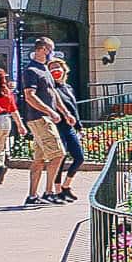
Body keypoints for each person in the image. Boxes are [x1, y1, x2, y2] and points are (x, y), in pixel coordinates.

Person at [17, 37, 71, 205]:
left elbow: (53, 93)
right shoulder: (31, 70)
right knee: (58, 154)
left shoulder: (44, 69)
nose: (51, 53)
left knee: (39, 160)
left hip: (45, 118)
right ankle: (48, 193)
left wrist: (65, 112)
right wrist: (49, 112)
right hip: (40, 119)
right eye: (50, 49)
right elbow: (29, 96)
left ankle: (32, 196)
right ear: (42, 49)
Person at [47, 56, 85, 202]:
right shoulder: (51, 88)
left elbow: (73, 108)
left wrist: (79, 127)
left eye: (58, 67)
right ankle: (57, 190)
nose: (56, 70)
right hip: (57, 126)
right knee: (60, 157)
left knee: (79, 157)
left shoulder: (68, 88)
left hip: (69, 127)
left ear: (64, 70)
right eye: (52, 68)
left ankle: (66, 185)